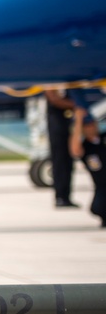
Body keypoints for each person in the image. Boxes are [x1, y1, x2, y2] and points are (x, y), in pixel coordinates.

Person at [69, 99, 105, 227]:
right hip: (102, 186)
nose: (91, 128)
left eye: (92, 124)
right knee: (98, 208)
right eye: (87, 126)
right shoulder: (87, 148)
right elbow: (74, 149)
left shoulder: (103, 139)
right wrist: (78, 120)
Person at [45, 89, 77, 207]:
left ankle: (65, 196)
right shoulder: (50, 84)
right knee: (60, 162)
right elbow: (54, 100)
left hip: (67, 124)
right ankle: (60, 196)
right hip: (58, 127)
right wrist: (78, 105)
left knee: (68, 162)